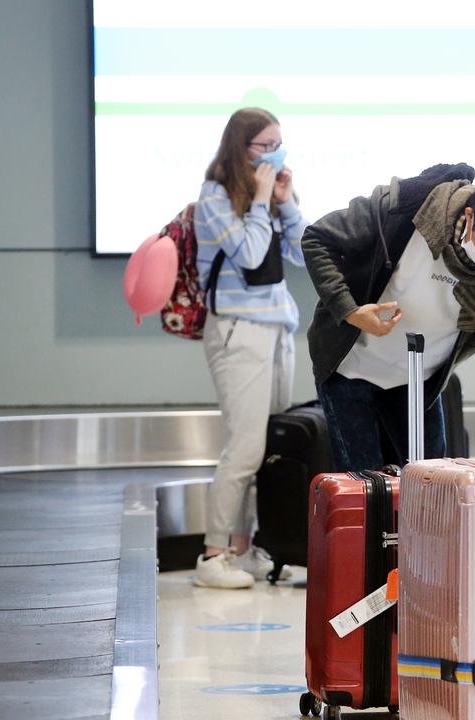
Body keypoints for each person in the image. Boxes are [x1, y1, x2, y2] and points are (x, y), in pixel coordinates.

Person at [302, 157, 475, 470]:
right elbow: (317, 238)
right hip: (352, 367)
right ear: (469, 217)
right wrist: (349, 310)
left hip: (420, 379)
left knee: (434, 490)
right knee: (365, 489)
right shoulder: (406, 207)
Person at [192, 107, 308, 589]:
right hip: (238, 331)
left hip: (277, 331)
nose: (274, 153)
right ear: (240, 149)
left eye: (279, 143)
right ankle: (213, 554)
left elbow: (305, 253)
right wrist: (262, 200)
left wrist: (285, 203)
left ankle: (244, 549)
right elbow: (251, 254)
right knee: (243, 448)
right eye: (265, 145)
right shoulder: (214, 199)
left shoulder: (268, 200)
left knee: (265, 448)